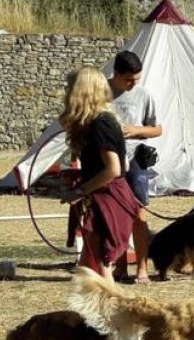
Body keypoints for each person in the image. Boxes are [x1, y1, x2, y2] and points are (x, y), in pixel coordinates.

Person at [60, 67, 140, 278]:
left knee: (102, 264)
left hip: (109, 197)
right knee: (87, 265)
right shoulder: (96, 122)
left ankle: (111, 309)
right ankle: (88, 309)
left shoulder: (101, 123)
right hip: (102, 195)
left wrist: (80, 191)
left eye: (70, 88)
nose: (66, 93)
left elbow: (113, 169)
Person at [108, 50, 163, 284]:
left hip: (136, 160)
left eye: (136, 79)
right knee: (115, 215)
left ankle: (141, 268)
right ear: (117, 74)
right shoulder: (100, 93)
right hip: (108, 159)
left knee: (138, 214)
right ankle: (120, 267)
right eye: (128, 79)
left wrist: (136, 130)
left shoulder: (143, 95)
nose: (133, 84)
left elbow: (157, 129)